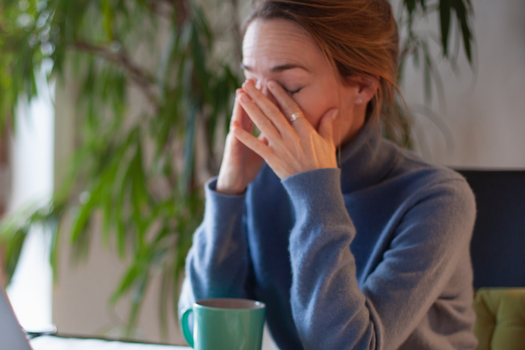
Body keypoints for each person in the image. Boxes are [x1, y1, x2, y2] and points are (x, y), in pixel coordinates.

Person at [178, 0, 477, 349]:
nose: (261, 108)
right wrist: (229, 191)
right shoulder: (261, 181)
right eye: (250, 82)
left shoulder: (439, 200)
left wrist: (315, 194)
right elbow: (205, 329)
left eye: (288, 88)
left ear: (363, 86)